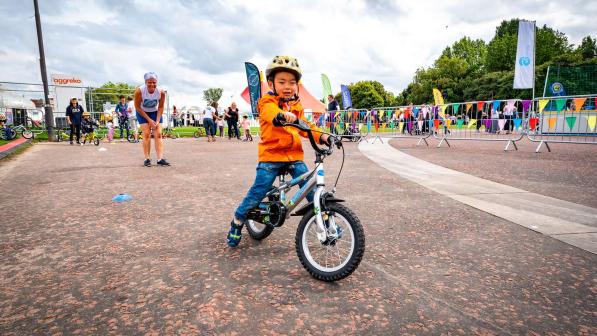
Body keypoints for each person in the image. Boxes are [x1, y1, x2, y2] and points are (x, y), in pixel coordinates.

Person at [226, 55, 330, 247]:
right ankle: (238, 219)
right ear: (272, 83)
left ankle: (324, 221)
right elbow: (270, 114)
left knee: (310, 188)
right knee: (259, 191)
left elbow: (305, 126)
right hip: (271, 157)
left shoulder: (296, 105)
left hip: (293, 157)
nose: (288, 86)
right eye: (282, 82)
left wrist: (323, 136)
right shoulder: (266, 103)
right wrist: (282, 115)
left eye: (292, 82)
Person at [134, 72, 170, 167]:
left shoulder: (161, 92)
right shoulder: (139, 91)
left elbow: (161, 107)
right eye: (149, 82)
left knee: (158, 134)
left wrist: (157, 121)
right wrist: (149, 120)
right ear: (145, 82)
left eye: (154, 82)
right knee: (146, 134)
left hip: (155, 112)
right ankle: (147, 159)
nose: (152, 84)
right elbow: (137, 107)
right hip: (142, 112)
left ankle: (160, 159)